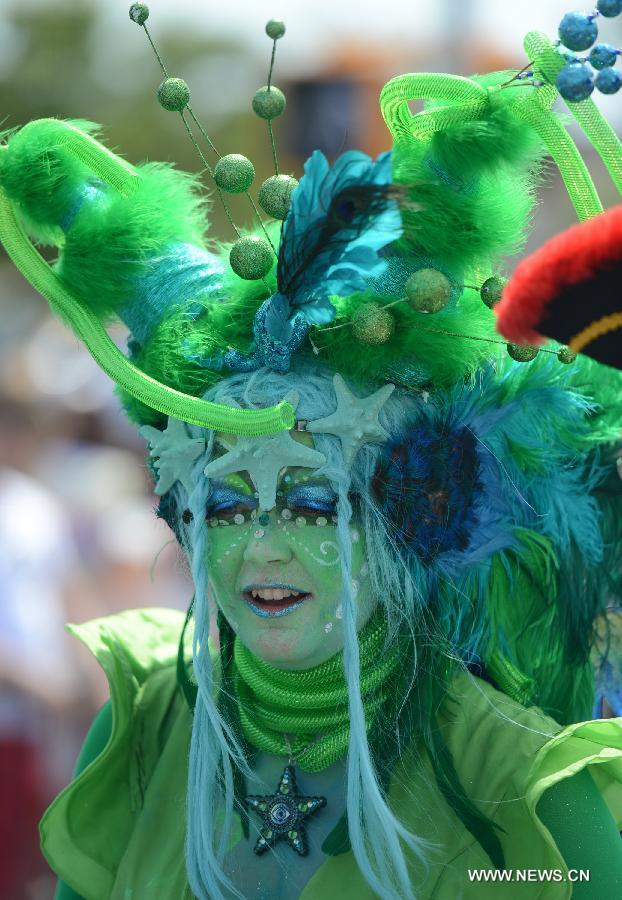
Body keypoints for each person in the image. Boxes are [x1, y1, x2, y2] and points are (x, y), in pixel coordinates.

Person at [1, 6, 622, 899]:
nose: (262, 543)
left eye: (313, 501)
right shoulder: (144, 728)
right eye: (225, 504)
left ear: (411, 513)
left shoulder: (520, 785)